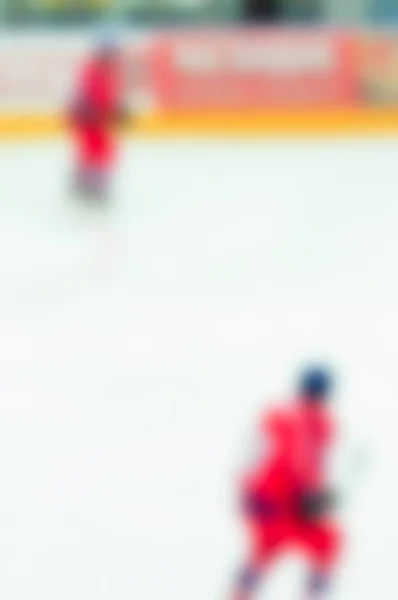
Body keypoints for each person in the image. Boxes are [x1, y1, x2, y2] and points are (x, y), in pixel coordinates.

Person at [232, 366, 342, 600]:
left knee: (324, 542)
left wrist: (318, 496)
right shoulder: (284, 418)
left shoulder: (320, 425)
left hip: (289, 505)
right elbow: (258, 456)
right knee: (267, 552)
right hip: (273, 501)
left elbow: (312, 467)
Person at [68, 37, 128, 200]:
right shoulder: (92, 73)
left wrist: (118, 111)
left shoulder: (108, 74)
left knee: (101, 153)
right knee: (96, 153)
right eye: (111, 55)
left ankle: (88, 186)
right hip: (91, 124)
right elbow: (82, 99)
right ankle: (88, 187)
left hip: (99, 125)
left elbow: (110, 101)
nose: (114, 59)